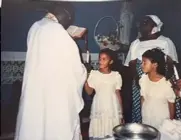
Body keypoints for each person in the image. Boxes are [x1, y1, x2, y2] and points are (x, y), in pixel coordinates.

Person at [15, 3, 87, 140]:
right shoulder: (59, 32)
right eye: (70, 19)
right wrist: (84, 69)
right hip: (54, 96)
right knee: (54, 128)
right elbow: (76, 70)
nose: (68, 23)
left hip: (35, 90)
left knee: (35, 126)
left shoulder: (35, 27)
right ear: (65, 14)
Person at [124, 15, 179, 123]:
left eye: (146, 22)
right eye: (142, 22)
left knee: (163, 106)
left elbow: (171, 64)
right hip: (141, 80)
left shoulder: (166, 42)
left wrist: (167, 80)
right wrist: (136, 79)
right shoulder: (135, 44)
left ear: (155, 25)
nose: (143, 23)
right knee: (145, 106)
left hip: (161, 80)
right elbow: (131, 64)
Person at [84, 49, 123, 139]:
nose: (100, 61)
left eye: (104, 59)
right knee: (99, 130)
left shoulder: (116, 75)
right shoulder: (94, 74)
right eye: (100, 58)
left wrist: (121, 113)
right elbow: (89, 92)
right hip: (99, 105)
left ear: (111, 61)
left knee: (111, 131)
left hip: (112, 106)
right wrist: (86, 81)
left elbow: (118, 94)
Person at [140, 48, 176, 129]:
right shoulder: (143, 79)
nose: (141, 65)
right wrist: (143, 115)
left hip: (162, 119)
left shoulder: (166, 83)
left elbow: (171, 104)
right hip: (147, 116)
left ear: (155, 64)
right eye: (141, 62)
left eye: (144, 62)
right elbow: (142, 98)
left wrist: (171, 122)